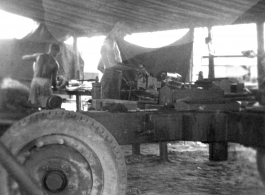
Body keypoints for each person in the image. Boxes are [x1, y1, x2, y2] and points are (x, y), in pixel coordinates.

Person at [98, 21, 148, 99]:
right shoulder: (109, 42)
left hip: (112, 77)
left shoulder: (111, 42)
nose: (123, 37)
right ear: (119, 31)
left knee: (112, 105)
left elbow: (104, 66)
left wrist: (124, 80)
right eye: (124, 34)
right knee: (110, 106)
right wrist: (136, 68)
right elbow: (113, 64)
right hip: (111, 79)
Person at [22, 43, 61, 108]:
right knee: (47, 103)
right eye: (57, 52)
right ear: (54, 50)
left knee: (33, 103)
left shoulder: (39, 56)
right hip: (45, 83)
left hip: (35, 81)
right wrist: (55, 87)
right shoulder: (55, 64)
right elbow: (54, 81)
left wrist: (35, 59)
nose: (57, 54)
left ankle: (35, 115)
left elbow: (24, 58)